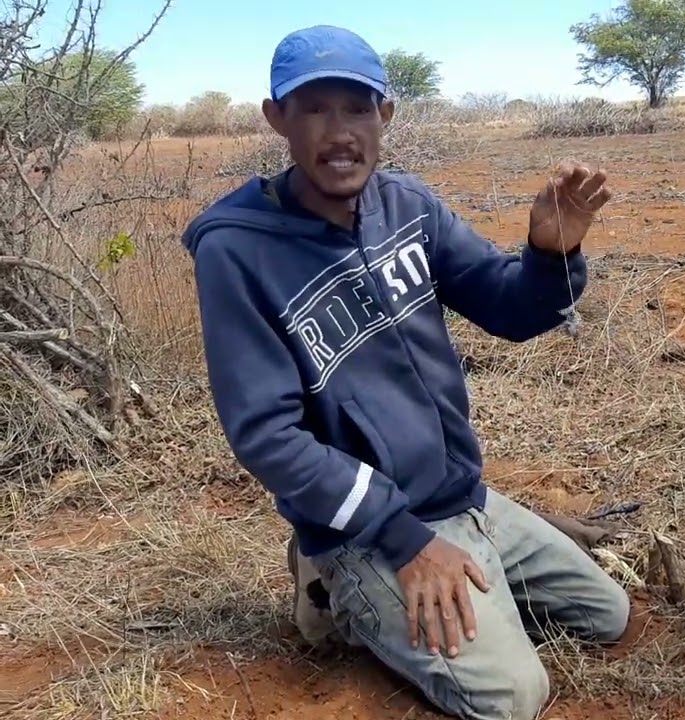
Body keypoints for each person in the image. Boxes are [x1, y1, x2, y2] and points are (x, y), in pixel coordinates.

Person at [181, 24, 632, 720]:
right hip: (371, 531)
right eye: (314, 108)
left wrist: (549, 255)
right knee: (514, 697)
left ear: (384, 115)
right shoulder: (236, 251)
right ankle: (338, 586)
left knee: (605, 614)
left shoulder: (408, 206)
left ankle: (464, 574)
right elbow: (267, 435)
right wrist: (405, 541)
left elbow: (508, 308)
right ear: (277, 119)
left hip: (458, 499)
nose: (339, 132)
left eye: (357, 108)